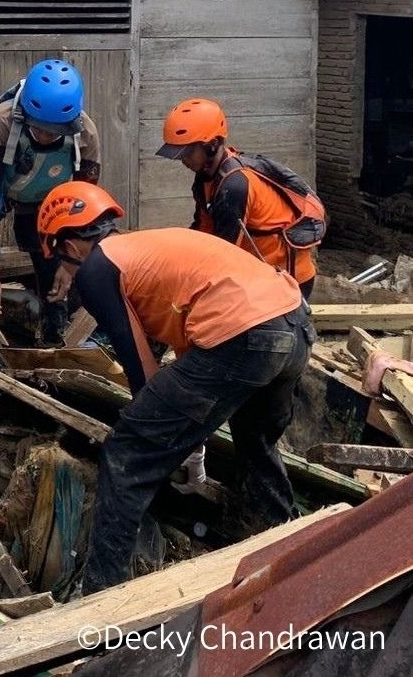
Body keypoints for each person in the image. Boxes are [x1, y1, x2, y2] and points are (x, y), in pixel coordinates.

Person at [36, 181, 314, 594]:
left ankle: (100, 595)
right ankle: (290, 563)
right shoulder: (150, 250)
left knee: (128, 451)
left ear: (71, 244)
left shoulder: (98, 268)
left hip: (246, 335)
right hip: (294, 325)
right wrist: (191, 440)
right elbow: (191, 359)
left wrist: (165, 439)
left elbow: (139, 368)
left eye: (62, 254)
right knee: (255, 443)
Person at [0, 59, 101, 344]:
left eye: (55, 130)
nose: (46, 136)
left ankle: (53, 340)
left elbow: (84, 204)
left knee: (50, 262)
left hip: (47, 198)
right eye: (39, 128)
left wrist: (69, 265)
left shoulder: (85, 134)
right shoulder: (2, 122)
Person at [156, 98, 322, 299]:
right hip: (259, 272)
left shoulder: (234, 186)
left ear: (213, 144)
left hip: (285, 280)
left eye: (189, 152)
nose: (183, 160)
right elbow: (204, 231)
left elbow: (224, 254)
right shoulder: (207, 178)